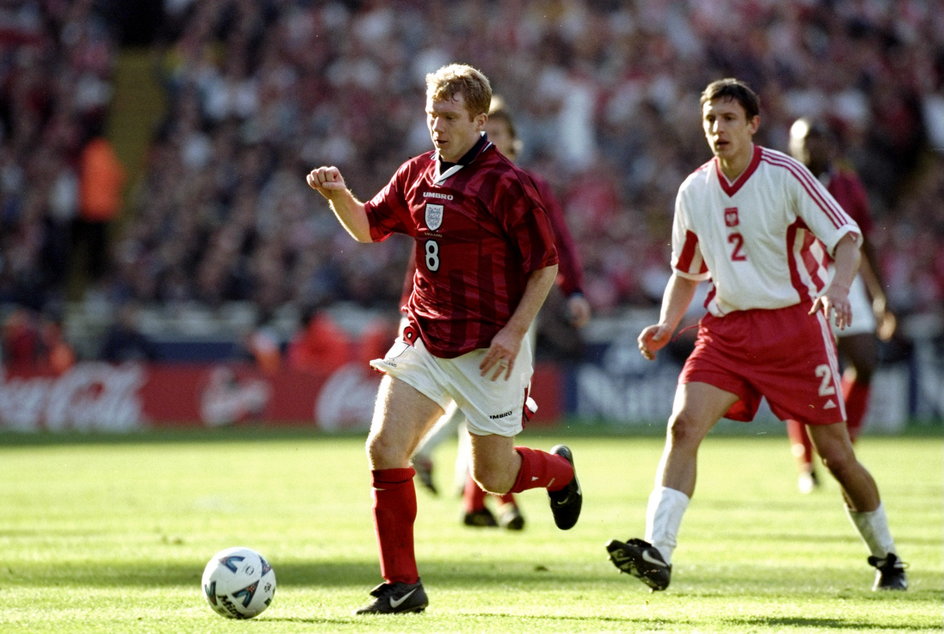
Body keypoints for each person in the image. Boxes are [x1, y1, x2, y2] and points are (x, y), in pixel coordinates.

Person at [605, 78, 907, 593]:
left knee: (836, 455)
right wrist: (666, 322)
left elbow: (847, 238)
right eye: (709, 120)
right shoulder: (694, 189)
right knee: (682, 427)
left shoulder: (786, 174)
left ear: (752, 125)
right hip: (726, 332)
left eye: (727, 119)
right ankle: (659, 552)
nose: (717, 129)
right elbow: (685, 272)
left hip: (794, 327)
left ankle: (887, 557)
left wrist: (837, 288)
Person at [306, 63, 583, 615]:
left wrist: (512, 332)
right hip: (427, 339)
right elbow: (367, 226)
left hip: (489, 353)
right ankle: (402, 585)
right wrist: (339, 196)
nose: (438, 125)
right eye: (432, 114)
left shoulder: (506, 184)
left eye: (450, 116)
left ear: (480, 120)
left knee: (492, 474)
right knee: (384, 447)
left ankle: (560, 472)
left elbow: (545, 266)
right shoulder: (416, 173)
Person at [411, 95, 592, 532]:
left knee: (494, 406)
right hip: (456, 318)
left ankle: (485, 495)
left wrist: (575, 290)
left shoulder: (526, 186)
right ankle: (487, 496)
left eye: (499, 134)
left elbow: (557, 246)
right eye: (486, 132)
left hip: (512, 318)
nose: (491, 140)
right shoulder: (450, 182)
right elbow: (426, 255)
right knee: (482, 407)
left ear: (514, 142)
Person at [784, 117, 897, 494]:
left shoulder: (848, 184)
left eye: (816, 139)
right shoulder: (785, 182)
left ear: (830, 145)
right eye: (802, 140)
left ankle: (845, 448)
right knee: (804, 379)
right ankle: (806, 464)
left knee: (864, 362)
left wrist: (880, 296)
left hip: (843, 282)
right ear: (792, 146)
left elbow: (865, 242)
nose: (809, 146)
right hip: (801, 286)